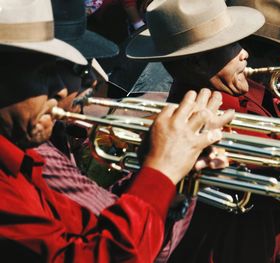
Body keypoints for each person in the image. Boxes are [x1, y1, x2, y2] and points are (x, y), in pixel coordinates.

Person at [0, 0, 235, 262]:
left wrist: (174, 181)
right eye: (44, 72)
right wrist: (161, 171)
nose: (63, 89)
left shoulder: (22, 164)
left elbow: (100, 233)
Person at [126, 0, 280, 262]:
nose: (244, 53)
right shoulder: (215, 117)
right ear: (198, 63)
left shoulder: (236, 99)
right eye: (233, 45)